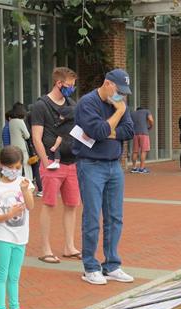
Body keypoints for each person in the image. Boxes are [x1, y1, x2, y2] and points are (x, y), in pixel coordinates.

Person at [74, 68, 135, 285]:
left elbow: (130, 130)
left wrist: (110, 131)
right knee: (92, 217)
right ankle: (91, 267)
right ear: (108, 84)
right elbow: (96, 132)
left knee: (115, 217)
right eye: (119, 91)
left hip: (114, 165)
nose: (122, 97)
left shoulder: (120, 103)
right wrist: (117, 113)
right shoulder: (87, 103)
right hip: (91, 164)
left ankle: (112, 265)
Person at [31, 67, 81, 264]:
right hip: (52, 161)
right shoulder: (41, 106)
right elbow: (36, 137)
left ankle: (69, 246)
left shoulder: (72, 105)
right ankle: (45, 249)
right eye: (69, 86)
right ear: (58, 83)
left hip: (72, 162)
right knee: (49, 204)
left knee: (72, 205)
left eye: (73, 86)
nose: (71, 89)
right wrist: (46, 162)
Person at [0, 146, 38, 309]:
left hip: (21, 236)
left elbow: (31, 206)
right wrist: (9, 214)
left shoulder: (24, 182)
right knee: (2, 274)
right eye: (10, 167)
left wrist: (25, 190)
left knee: (14, 275)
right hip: (3, 236)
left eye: (17, 167)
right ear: (1, 165)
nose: (14, 171)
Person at [9, 102, 32, 181]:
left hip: (13, 147)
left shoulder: (11, 122)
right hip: (22, 148)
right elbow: (27, 135)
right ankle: (28, 183)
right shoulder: (20, 121)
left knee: (16, 166)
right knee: (26, 167)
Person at [130, 107, 154, 174]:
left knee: (135, 151)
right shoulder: (146, 111)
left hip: (135, 134)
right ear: (143, 109)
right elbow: (151, 120)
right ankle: (141, 168)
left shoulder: (132, 113)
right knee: (144, 150)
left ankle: (134, 168)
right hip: (144, 133)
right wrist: (150, 126)